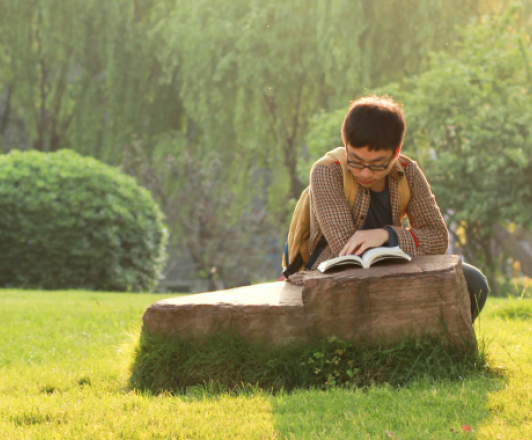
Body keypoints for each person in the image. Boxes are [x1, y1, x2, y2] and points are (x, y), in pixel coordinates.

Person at [285, 95, 488, 321]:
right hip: (335, 276)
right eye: (356, 161)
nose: (365, 173)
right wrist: (402, 242)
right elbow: (346, 247)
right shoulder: (327, 170)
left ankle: (444, 348)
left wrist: (385, 235)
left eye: (377, 164)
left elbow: (438, 238)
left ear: (396, 151)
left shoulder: (408, 172)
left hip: (395, 269)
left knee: (473, 281)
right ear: (346, 145)